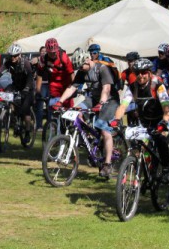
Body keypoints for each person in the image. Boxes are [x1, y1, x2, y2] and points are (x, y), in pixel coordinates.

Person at [54, 44, 123, 178]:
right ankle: (91, 140)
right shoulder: (82, 71)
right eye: (78, 68)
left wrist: (101, 103)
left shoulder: (102, 69)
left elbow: (107, 89)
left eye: (81, 66)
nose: (80, 70)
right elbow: (72, 87)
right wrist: (60, 101)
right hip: (93, 99)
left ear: (87, 60)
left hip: (110, 100)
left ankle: (107, 164)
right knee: (77, 114)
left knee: (104, 129)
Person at [128, 58, 169, 182]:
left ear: (149, 73)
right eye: (137, 73)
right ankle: (146, 171)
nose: (140, 75)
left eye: (143, 72)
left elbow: (166, 106)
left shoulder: (157, 85)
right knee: (139, 143)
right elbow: (123, 105)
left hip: (161, 118)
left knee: (160, 139)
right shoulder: (133, 86)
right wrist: (116, 119)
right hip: (145, 120)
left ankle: (167, 168)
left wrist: (164, 121)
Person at [0, 43, 34, 139]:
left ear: (19, 55)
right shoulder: (8, 63)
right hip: (16, 85)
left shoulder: (25, 63)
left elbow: (30, 78)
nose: (13, 58)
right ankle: (12, 115)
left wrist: (26, 89)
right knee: (7, 92)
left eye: (15, 56)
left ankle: (27, 132)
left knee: (25, 110)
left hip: (27, 87)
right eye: (11, 56)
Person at [36, 38, 74, 131]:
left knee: (68, 111)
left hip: (66, 85)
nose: (52, 55)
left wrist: (73, 88)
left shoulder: (63, 57)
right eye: (50, 53)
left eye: (54, 52)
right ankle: (55, 128)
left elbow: (71, 74)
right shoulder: (43, 59)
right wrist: (38, 90)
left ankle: (68, 129)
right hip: (54, 86)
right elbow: (39, 75)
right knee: (53, 107)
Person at [32, 46, 48, 129]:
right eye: (42, 51)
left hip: (49, 85)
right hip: (40, 85)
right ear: (39, 52)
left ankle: (50, 124)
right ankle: (39, 126)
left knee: (50, 106)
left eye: (45, 51)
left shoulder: (49, 60)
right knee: (39, 107)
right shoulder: (37, 60)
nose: (44, 52)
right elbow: (32, 68)